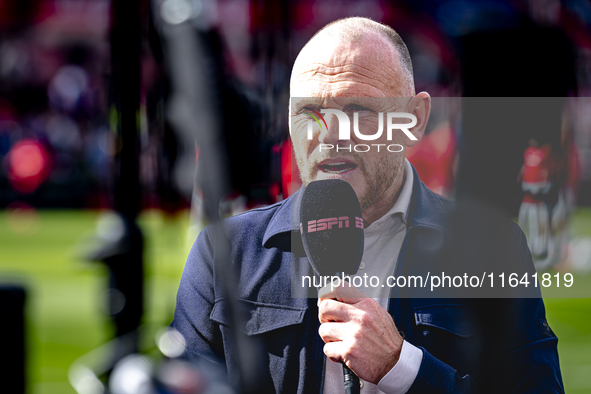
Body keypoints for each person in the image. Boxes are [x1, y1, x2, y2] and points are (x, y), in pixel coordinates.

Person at [172, 17, 564, 393]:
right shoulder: (224, 252)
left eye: (359, 110)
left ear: (414, 119)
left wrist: (403, 368)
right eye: (309, 112)